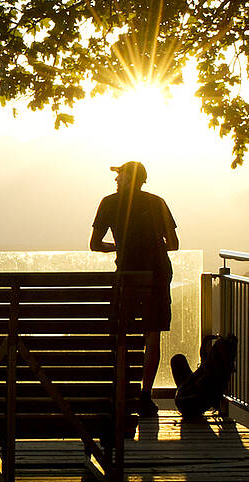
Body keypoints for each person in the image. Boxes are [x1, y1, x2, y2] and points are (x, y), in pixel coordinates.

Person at [89, 160, 178, 417]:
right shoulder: (158, 202)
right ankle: (145, 395)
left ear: (130, 178)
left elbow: (95, 244)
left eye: (119, 176)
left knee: (122, 332)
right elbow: (173, 243)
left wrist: (119, 247)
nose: (115, 180)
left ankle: (122, 391)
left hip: (127, 276)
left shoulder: (108, 203)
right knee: (152, 334)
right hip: (158, 275)